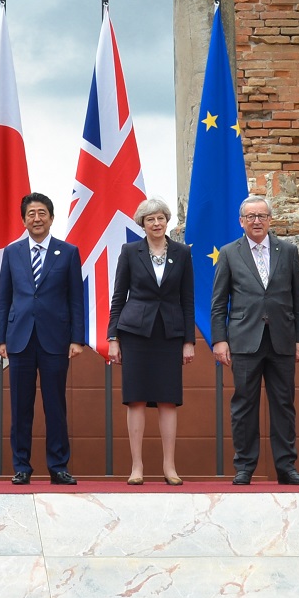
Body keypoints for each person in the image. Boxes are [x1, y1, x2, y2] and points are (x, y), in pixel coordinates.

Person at [211, 195, 299, 486]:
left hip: (282, 339)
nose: (257, 221)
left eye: (262, 216)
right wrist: (219, 340)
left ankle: (286, 467)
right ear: (241, 221)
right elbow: (218, 303)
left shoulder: (288, 251)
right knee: (244, 405)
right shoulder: (229, 253)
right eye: (251, 217)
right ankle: (244, 467)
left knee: (283, 404)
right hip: (244, 340)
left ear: (270, 220)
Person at [0, 191, 86, 486]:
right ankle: (21, 466)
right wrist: (0, 338)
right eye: (31, 214)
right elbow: (4, 298)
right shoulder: (12, 252)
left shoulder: (68, 252)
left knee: (55, 405)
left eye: (42, 213)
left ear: (51, 218)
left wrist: (77, 338)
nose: (37, 218)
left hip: (55, 339)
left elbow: (76, 299)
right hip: (19, 338)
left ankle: (58, 466)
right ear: (23, 220)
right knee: (20, 406)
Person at [107, 197, 195, 486]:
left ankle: (169, 466)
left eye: (160, 218)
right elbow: (118, 296)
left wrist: (189, 341)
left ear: (167, 221)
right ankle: (137, 466)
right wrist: (113, 338)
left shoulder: (182, 253)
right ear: (142, 224)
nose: (156, 223)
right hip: (135, 333)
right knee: (136, 398)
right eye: (150, 219)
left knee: (168, 399)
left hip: (169, 334)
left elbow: (187, 300)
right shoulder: (130, 251)